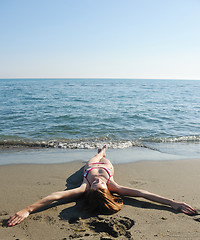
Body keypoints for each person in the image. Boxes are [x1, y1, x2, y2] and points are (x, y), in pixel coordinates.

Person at [8, 145, 196, 226]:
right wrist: (173, 203)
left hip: (89, 167)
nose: (99, 182)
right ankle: (103, 152)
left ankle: (100, 152)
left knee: (95, 158)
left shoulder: (83, 188)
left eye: (96, 185)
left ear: (89, 190)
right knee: (103, 157)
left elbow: (55, 196)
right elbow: (143, 193)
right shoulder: (114, 186)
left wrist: (28, 209)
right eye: (100, 185)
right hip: (107, 167)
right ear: (107, 191)